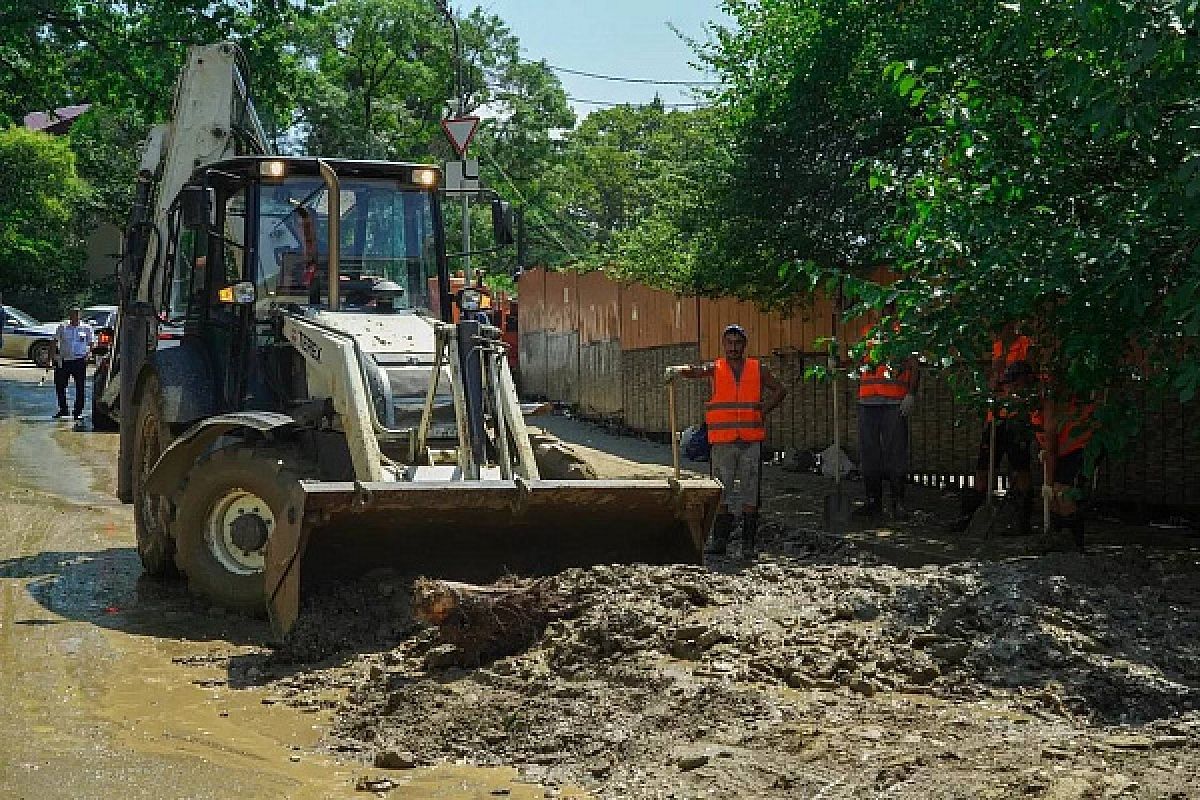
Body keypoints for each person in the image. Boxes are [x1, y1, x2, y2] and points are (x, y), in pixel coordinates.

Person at [665, 324, 787, 557]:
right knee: (722, 491)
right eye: (729, 343)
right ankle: (720, 541)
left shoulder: (756, 368)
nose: (733, 347)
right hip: (723, 442)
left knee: (751, 492)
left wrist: (764, 409)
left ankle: (748, 545)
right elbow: (697, 370)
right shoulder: (716, 368)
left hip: (750, 440)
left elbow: (780, 390)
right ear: (723, 345)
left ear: (744, 345)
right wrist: (679, 370)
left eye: (737, 343)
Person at [952, 323, 1037, 534]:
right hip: (995, 415)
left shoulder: (1026, 345)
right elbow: (992, 381)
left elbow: (1030, 382)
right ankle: (968, 517)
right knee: (983, 467)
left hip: (1018, 417)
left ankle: (1022, 522)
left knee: (1020, 469)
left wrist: (1010, 383)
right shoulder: (997, 347)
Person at [853, 304, 919, 519]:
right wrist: (837, 360)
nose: (882, 313)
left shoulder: (904, 336)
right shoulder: (867, 335)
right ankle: (873, 501)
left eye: (887, 309)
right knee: (869, 453)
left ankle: (898, 502)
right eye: (879, 309)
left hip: (893, 402)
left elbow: (915, 367)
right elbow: (859, 364)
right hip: (868, 401)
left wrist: (911, 394)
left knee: (895, 452)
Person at [1033, 381, 1095, 553]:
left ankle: (1075, 545)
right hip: (1063, 449)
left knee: (1063, 492)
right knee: (1054, 496)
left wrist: (1048, 483)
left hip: (1081, 447)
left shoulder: (1051, 405)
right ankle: (1058, 539)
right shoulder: (1035, 409)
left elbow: (1052, 448)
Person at [52, 306, 95, 420]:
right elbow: (54, 341)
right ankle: (63, 410)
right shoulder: (63, 327)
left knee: (80, 387)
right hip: (64, 361)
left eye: (76, 314)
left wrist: (88, 354)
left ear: (79, 316)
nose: (74, 317)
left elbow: (91, 343)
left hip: (79, 361)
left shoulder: (86, 328)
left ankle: (78, 412)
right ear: (69, 316)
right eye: (72, 314)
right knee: (60, 386)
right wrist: (53, 357)